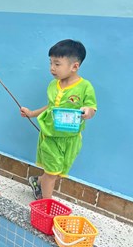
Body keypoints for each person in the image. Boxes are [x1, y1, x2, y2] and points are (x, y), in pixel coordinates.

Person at [20, 39, 97, 200]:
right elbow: (50, 107)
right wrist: (31, 113)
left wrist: (87, 111)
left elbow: (91, 108)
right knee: (52, 173)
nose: (52, 68)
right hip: (50, 136)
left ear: (74, 66)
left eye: (57, 64)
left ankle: (37, 181)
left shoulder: (85, 87)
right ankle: (46, 205)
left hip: (71, 139)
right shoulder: (53, 85)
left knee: (57, 172)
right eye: (50, 63)